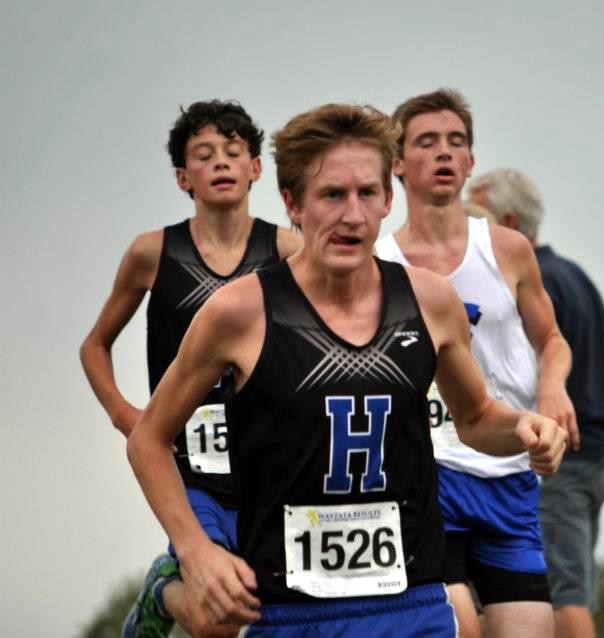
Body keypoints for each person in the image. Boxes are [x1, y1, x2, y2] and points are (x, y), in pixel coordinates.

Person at [125, 102, 567, 637]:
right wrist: (194, 550)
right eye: (332, 195)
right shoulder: (239, 313)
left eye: (367, 194)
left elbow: (475, 419)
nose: (353, 215)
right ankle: (163, 589)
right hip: (290, 613)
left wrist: (525, 427)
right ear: (292, 202)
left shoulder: (430, 302)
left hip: (413, 604)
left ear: (387, 200)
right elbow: (148, 439)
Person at [79, 100, 301, 637]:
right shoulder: (153, 253)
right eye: (204, 154)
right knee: (215, 621)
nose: (220, 162)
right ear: (183, 177)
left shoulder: (288, 251)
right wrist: (128, 417)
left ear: (255, 168)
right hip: (192, 472)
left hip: (270, 467)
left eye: (233, 151)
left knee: (265, 606)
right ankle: (162, 590)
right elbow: (95, 345)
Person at [375, 89, 578, 638]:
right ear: (397, 163)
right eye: (426, 142)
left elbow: (552, 339)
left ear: (470, 161)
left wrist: (553, 388)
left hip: (508, 474)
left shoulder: (508, 249)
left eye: (455, 141)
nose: (443, 152)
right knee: (459, 628)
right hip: (427, 476)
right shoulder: (379, 262)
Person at [468, 168, 604, 638]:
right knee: (571, 587)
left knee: (561, 597)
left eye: (476, 217)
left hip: (560, 459)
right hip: (599, 455)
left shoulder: (532, 284)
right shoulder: (575, 275)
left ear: (510, 222)